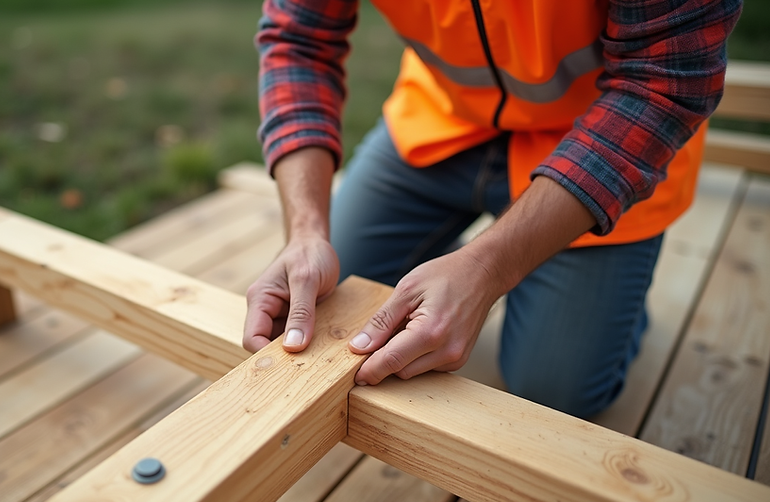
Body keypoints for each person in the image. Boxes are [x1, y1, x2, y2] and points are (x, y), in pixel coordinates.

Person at [243, 0, 742, 418]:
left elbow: (665, 83)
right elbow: (298, 42)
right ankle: (461, 267)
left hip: (603, 142)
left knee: (553, 393)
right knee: (333, 297)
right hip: (443, 117)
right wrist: (305, 231)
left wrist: (487, 267)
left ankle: (607, 299)